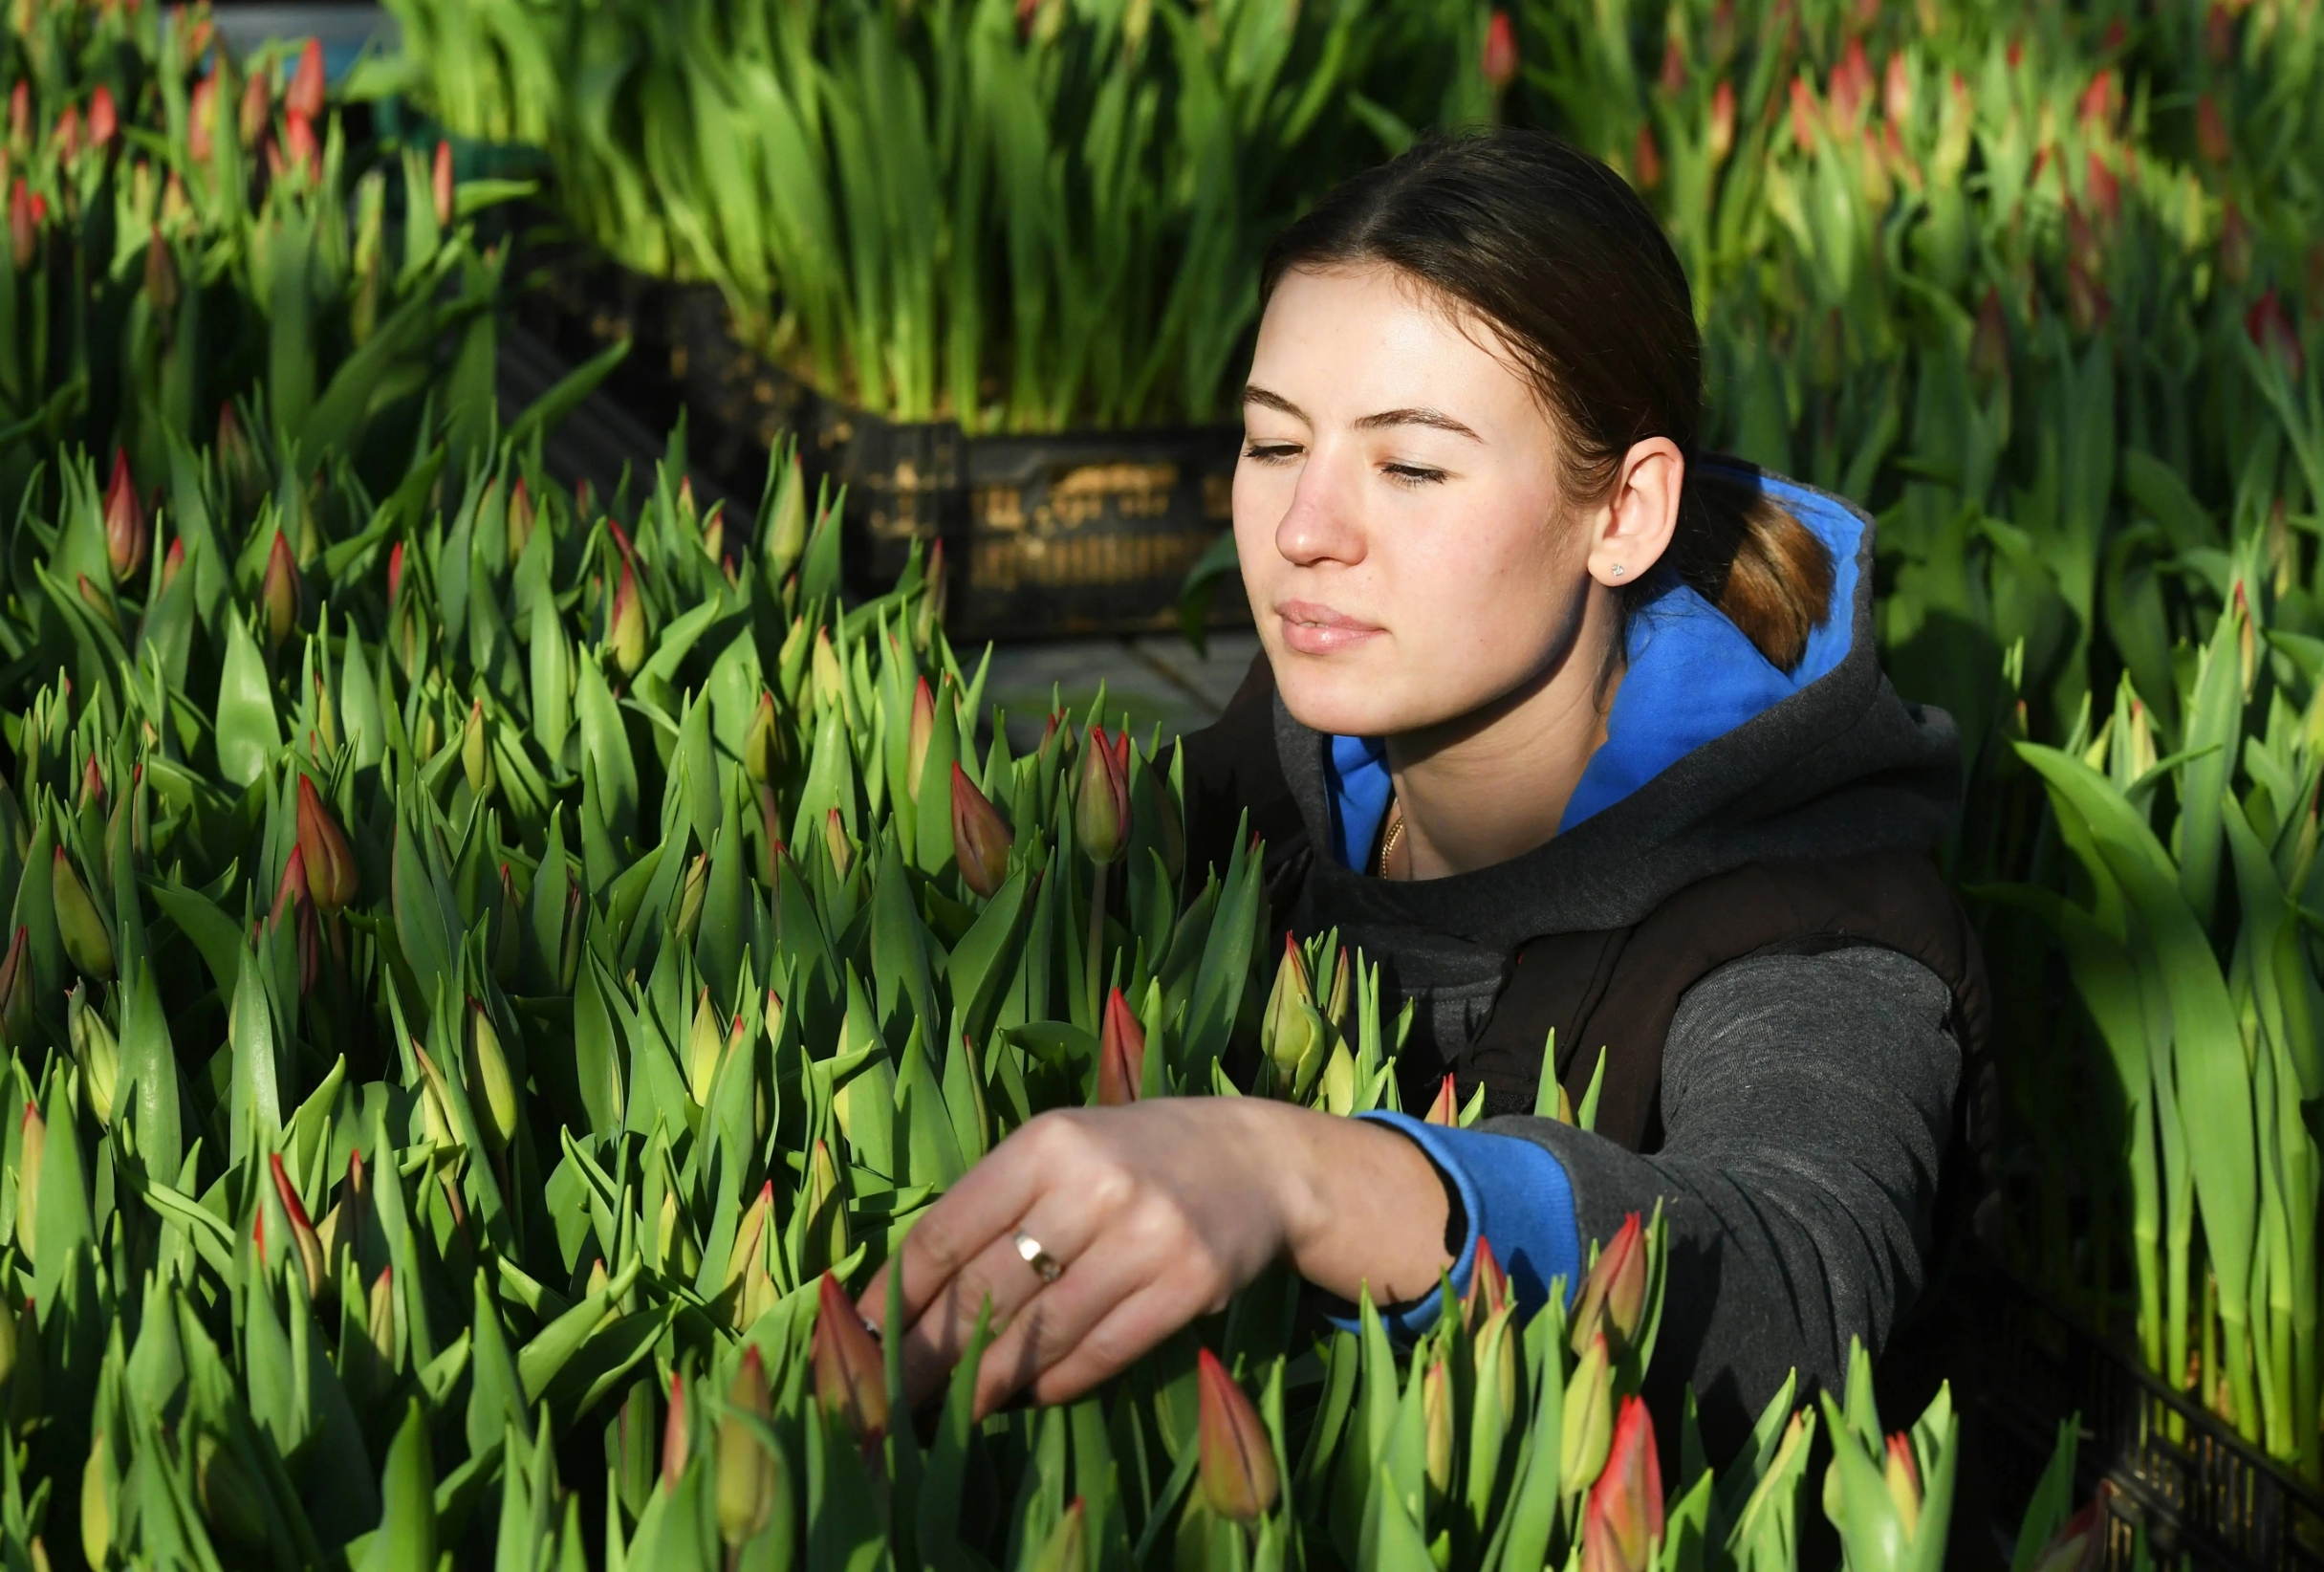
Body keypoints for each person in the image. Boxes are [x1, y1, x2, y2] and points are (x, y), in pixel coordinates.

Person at [858, 127, 1988, 1453]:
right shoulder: (1280, 771)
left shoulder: (1801, 907)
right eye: (1275, 445)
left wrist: (1300, 1178)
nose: (1303, 532)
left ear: (1624, 511)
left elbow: (1801, 1278)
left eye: (1409, 465)